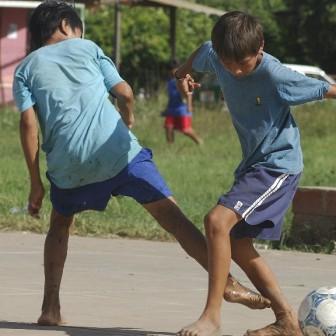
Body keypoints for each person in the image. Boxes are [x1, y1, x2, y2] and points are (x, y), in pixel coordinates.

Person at [12, 2, 271, 327]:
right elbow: (125, 92)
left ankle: (50, 308)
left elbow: (27, 125)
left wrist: (35, 184)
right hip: (118, 152)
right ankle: (229, 285)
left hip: (68, 167)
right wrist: (129, 118)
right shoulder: (87, 48)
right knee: (173, 218)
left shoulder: (25, 68)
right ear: (67, 25)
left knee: (59, 227)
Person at [174, 10, 336, 336]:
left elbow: (329, 90)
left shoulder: (276, 75)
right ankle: (287, 320)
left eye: (243, 64)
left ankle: (212, 316)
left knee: (216, 221)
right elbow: (204, 50)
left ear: (260, 46)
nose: (235, 70)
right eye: (228, 62)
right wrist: (182, 73)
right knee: (238, 244)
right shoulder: (217, 55)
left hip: (278, 166)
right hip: (253, 167)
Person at [163, 60, 202, 145]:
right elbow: (171, 96)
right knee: (168, 126)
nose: (171, 71)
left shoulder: (183, 79)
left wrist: (189, 105)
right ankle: (170, 145)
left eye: (173, 69)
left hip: (182, 108)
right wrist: (166, 109)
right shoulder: (169, 82)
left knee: (185, 129)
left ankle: (199, 142)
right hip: (172, 108)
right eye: (169, 70)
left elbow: (189, 93)